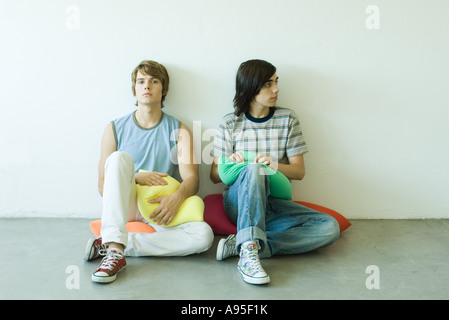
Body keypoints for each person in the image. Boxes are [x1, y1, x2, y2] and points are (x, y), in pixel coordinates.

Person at [210, 59, 340, 285]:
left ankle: (243, 245)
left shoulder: (287, 119)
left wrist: (274, 165)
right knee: (253, 169)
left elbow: (299, 172)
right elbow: (214, 176)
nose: (276, 89)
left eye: (276, 82)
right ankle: (249, 254)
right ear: (251, 87)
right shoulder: (230, 123)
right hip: (239, 202)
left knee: (330, 228)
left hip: (273, 204)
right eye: (268, 84)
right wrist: (231, 161)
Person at [85, 60, 214, 283]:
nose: (147, 86)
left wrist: (176, 198)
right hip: (128, 204)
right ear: (134, 89)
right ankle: (115, 250)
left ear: (163, 89)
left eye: (154, 81)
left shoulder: (179, 130)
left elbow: (192, 179)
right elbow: (102, 185)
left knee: (204, 236)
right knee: (118, 159)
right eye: (141, 81)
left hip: (161, 208)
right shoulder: (114, 128)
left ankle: (121, 243)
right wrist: (134, 177)